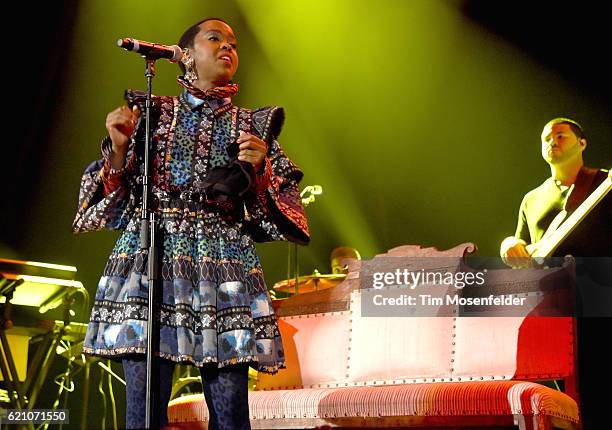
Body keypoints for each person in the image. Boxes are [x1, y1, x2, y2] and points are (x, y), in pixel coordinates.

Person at [73, 18, 309, 430]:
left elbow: (286, 207)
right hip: (152, 258)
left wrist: (262, 169)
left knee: (232, 415)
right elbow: (112, 197)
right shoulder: (150, 113)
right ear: (186, 56)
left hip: (223, 265)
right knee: (143, 414)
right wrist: (119, 148)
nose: (227, 48)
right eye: (214, 39)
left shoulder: (253, 126)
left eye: (233, 44)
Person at [499, 117, 611, 428]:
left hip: (599, 296)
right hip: (554, 304)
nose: (552, 141)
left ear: (582, 143)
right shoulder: (532, 199)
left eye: (561, 136)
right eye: (547, 138)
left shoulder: (605, 183)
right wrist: (509, 244)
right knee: (567, 389)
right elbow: (522, 248)